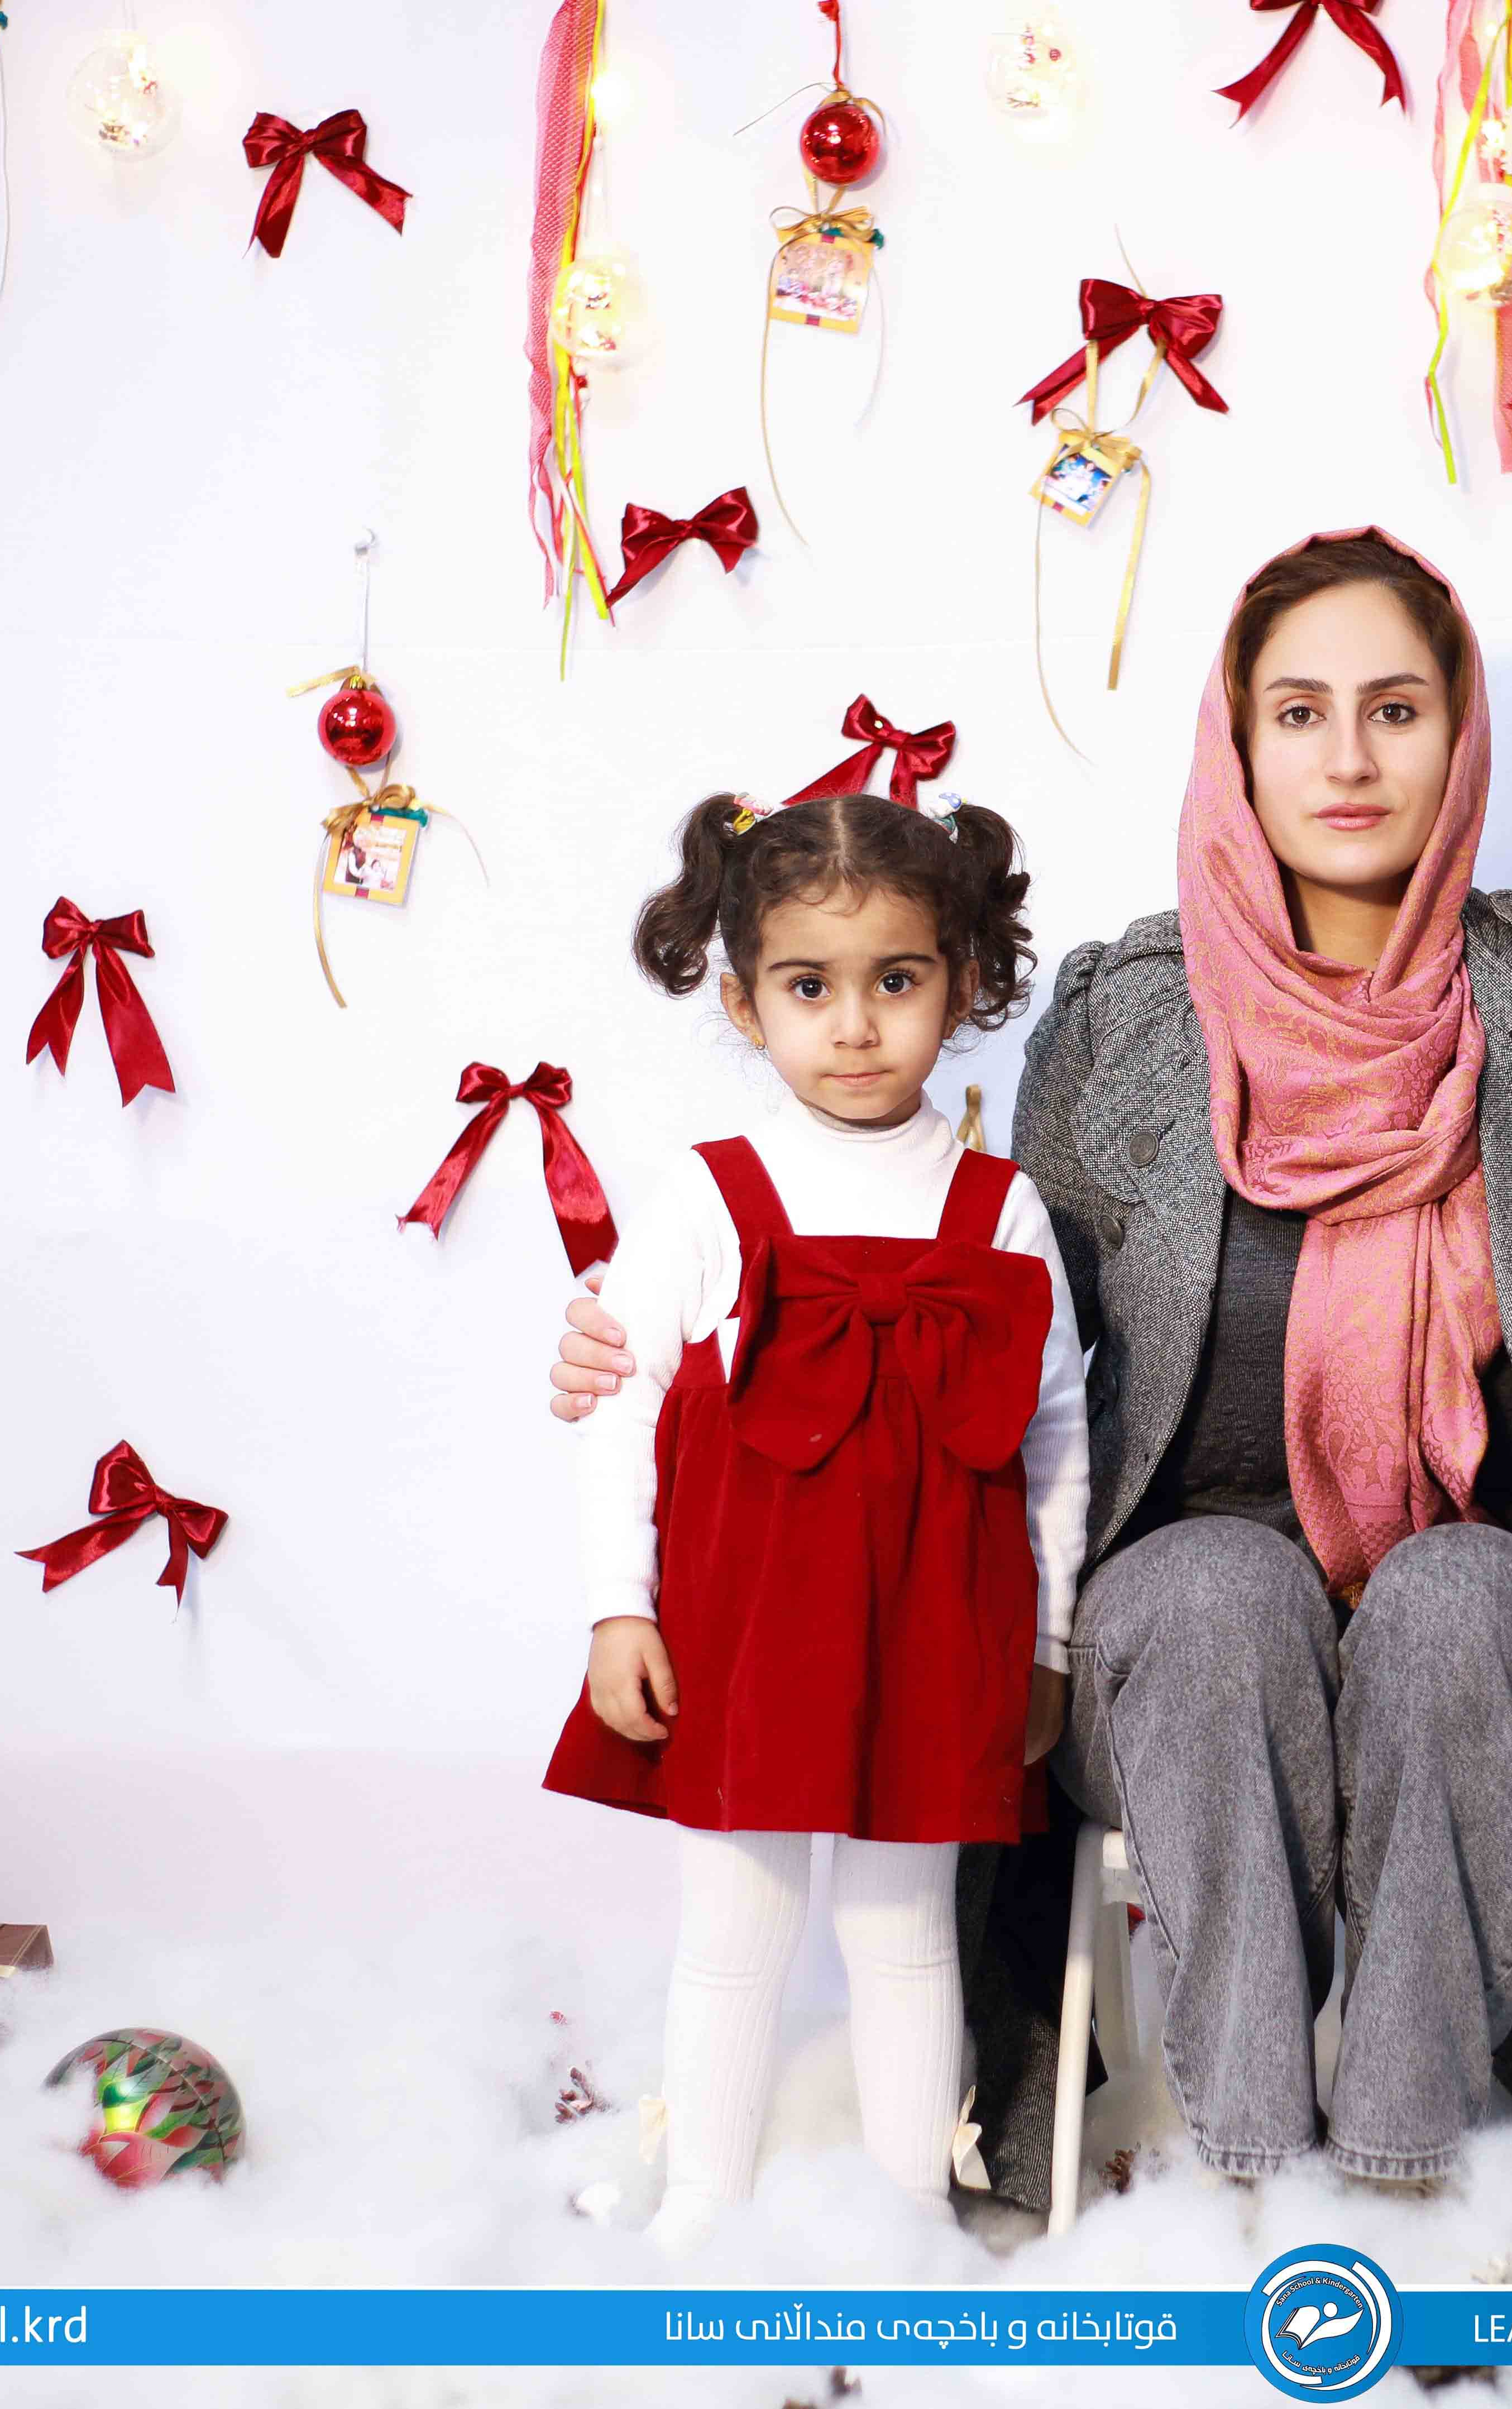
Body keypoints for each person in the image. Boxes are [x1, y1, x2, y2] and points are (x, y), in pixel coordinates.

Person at [552, 530, 1512, 2214]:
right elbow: (987, 1336)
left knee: (1453, 1602)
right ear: (1239, 744)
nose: (1350, 758)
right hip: (1178, 1611)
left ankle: (1396, 2164)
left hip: (1508, 1595)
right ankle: (1256, 2173)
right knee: (1211, 1595)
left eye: (1395, 709)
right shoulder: (1123, 1011)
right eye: (1300, 713)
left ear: (1458, 734)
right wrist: (653, 1338)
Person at [542, 791, 1089, 2256]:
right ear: (743, 1001)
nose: (855, 1026)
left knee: (905, 1931)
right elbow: (620, 1403)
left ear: (960, 987)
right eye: (808, 987)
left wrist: (1046, 1644)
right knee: (736, 1929)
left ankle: (910, 2215)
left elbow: (1056, 1437)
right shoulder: (707, 1194)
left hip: (936, 1632)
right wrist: (619, 1605)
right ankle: (702, 2208)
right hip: (749, 1628)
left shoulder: (1002, 1207)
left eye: (896, 981)